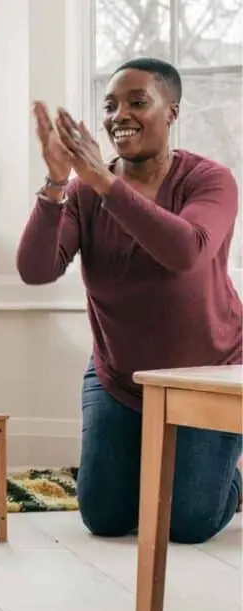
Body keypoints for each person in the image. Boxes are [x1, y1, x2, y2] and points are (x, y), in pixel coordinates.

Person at [17, 57, 242, 544]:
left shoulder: (210, 180)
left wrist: (104, 181)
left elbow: (185, 251)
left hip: (208, 374)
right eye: (110, 105)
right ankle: (163, 468)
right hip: (119, 375)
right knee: (105, 518)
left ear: (172, 112)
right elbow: (36, 270)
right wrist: (56, 184)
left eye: (138, 102)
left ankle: (227, 476)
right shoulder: (83, 192)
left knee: (188, 524)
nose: (120, 114)